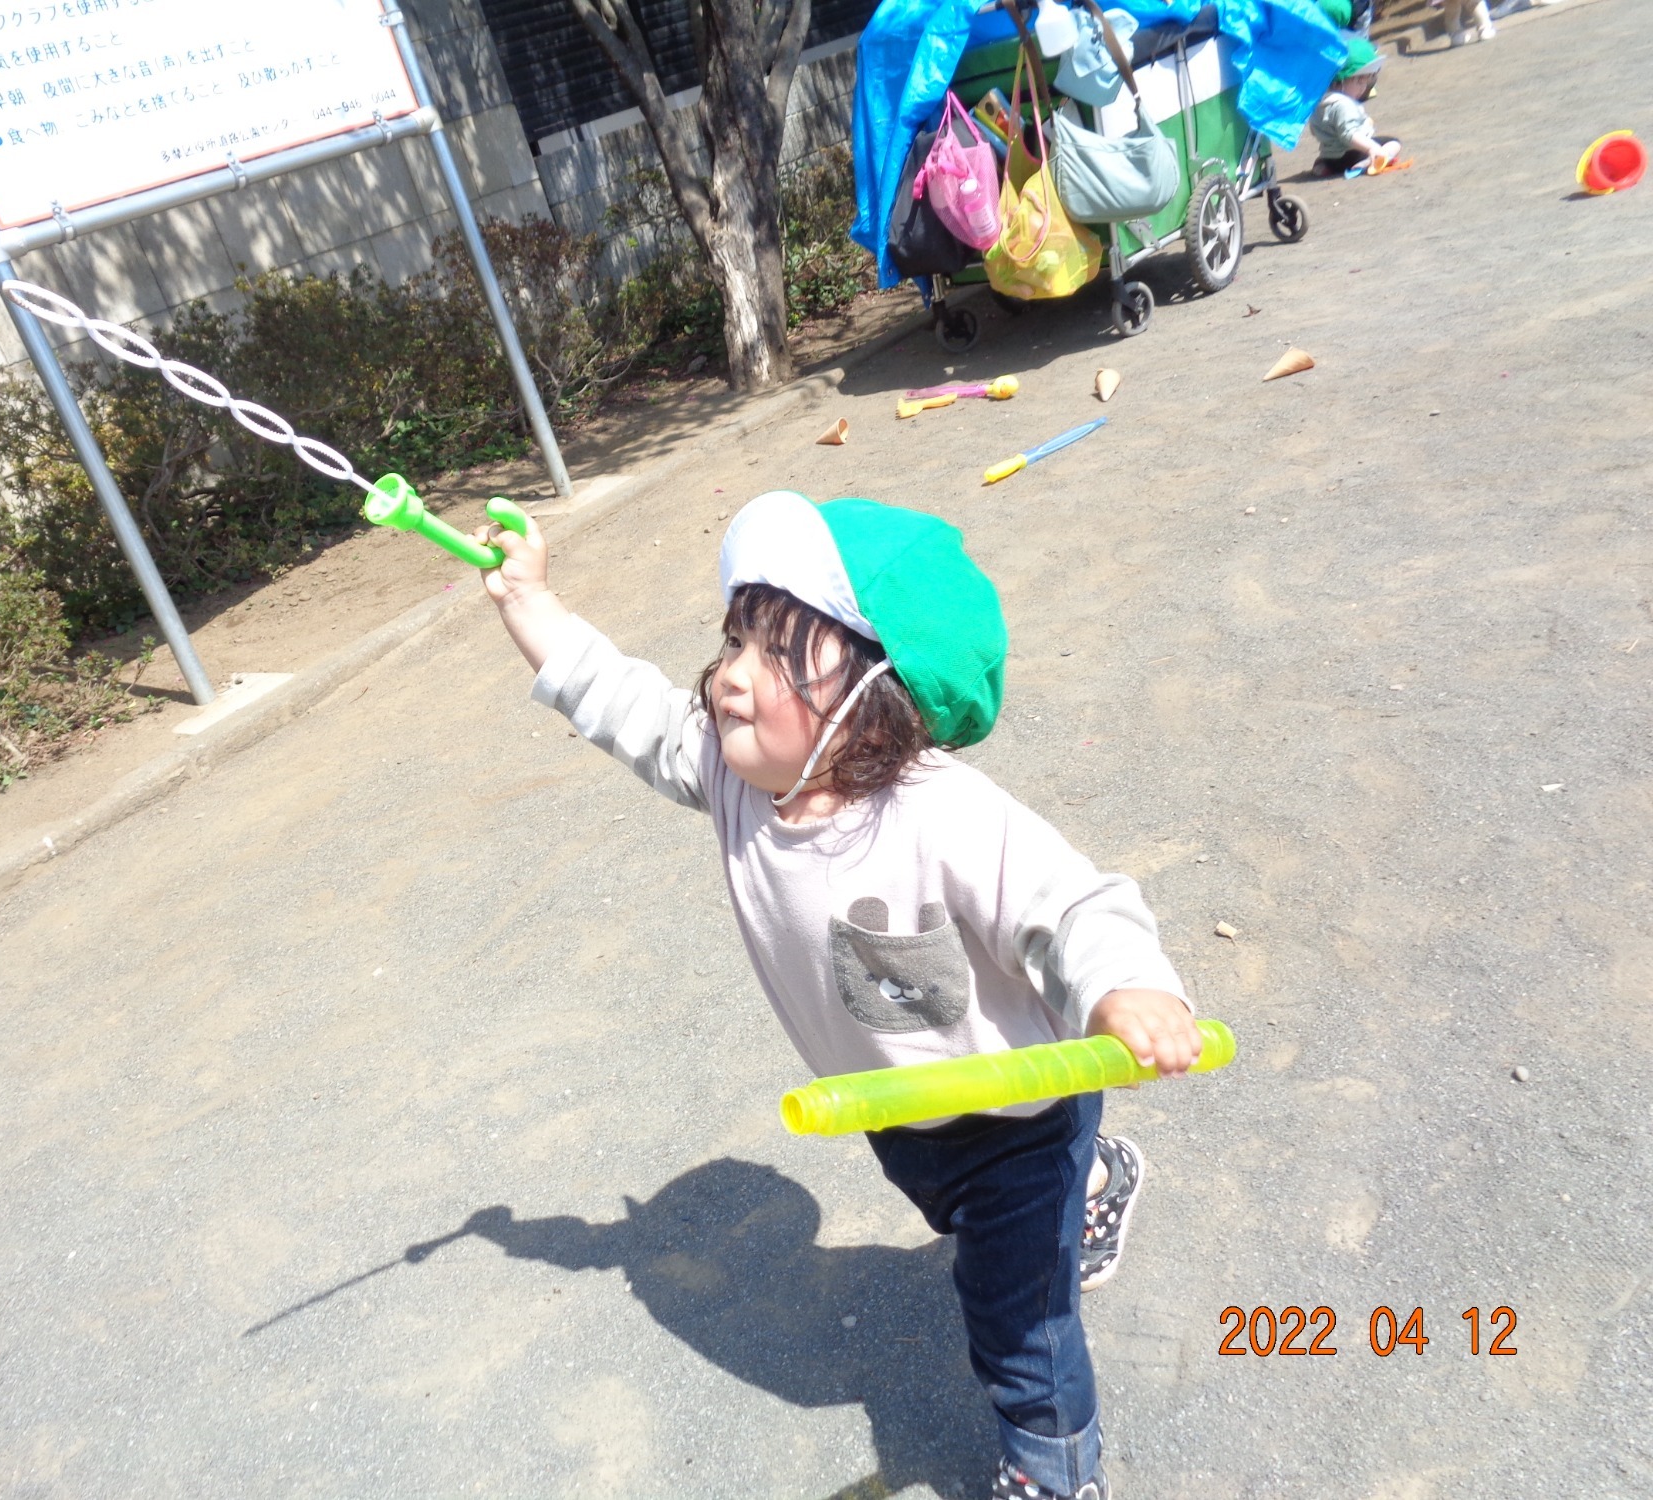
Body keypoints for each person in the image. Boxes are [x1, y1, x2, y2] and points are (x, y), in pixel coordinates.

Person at [473, 490, 1200, 1500]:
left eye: (775, 654)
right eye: (733, 640)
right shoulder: (736, 783)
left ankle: (1052, 1464)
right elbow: (623, 701)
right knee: (962, 1232)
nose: (727, 678)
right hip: (901, 1112)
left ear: (872, 692)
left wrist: (1126, 989)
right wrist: (528, 603)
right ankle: (1093, 1179)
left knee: (1017, 1326)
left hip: (1017, 1121)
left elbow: (1072, 907)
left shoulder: (940, 815)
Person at [1311, 37, 1401, 178]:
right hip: (1354, 153)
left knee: (1323, 159)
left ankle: (1322, 166)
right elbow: (1349, 134)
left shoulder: (1319, 103)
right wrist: (1372, 147)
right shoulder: (1343, 104)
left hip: (1330, 157)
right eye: (1358, 81)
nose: (1363, 87)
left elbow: (1315, 130)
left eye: (1366, 82)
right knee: (1394, 142)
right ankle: (1371, 161)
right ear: (1339, 81)